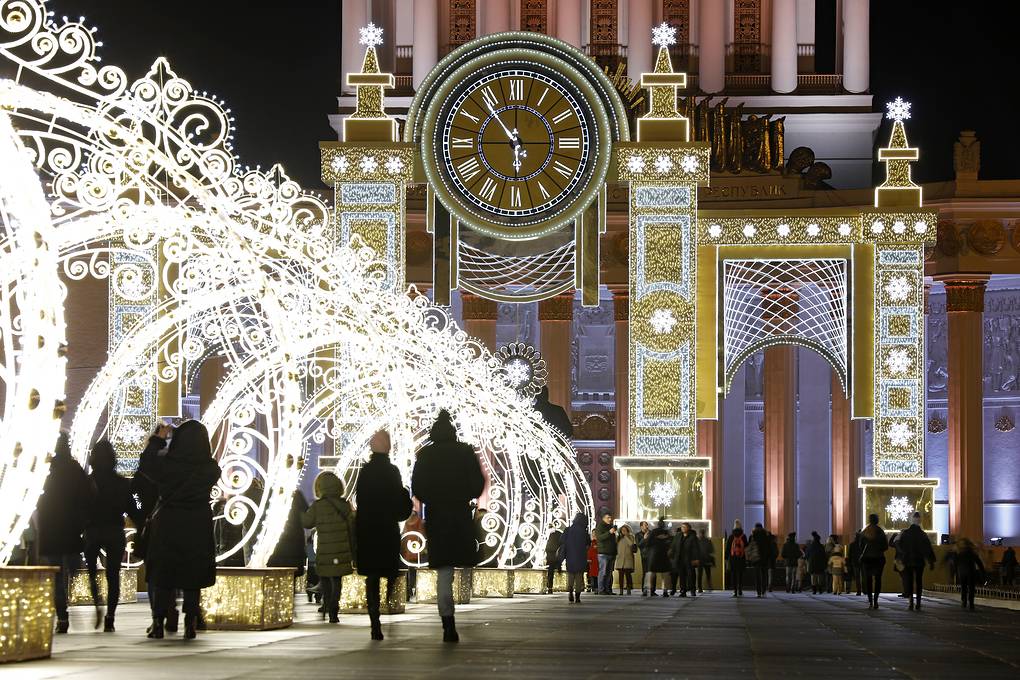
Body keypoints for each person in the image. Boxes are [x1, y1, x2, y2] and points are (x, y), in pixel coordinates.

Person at [138, 421, 220, 639]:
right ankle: (190, 621)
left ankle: (158, 621)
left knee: (164, 574)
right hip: (197, 523)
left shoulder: (166, 465)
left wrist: (158, 438)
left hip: (168, 524)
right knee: (193, 575)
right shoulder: (211, 469)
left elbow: (146, 464)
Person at [411, 410, 485, 643]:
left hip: (437, 516)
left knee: (443, 571)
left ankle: (448, 623)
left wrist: (433, 497)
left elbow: (418, 488)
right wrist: (464, 494)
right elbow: (477, 484)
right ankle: (454, 614)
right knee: (457, 564)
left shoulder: (426, 455)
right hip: (459, 515)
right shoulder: (464, 451)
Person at [355, 430, 413, 641]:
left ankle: (375, 621)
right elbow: (399, 503)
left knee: (372, 577)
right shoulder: (392, 471)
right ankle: (388, 600)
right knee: (388, 571)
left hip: (369, 530)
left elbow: (360, 501)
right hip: (387, 529)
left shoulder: (365, 472)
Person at [36, 432, 94, 634]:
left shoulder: (45, 470)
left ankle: (61, 615)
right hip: (70, 530)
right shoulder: (75, 470)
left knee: (55, 574)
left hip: (50, 529)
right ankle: (65, 610)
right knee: (68, 572)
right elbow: (87, 498)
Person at [84, 439, 144, 632]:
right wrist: (142, 512)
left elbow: (79, 505)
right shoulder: (123, 483)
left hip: (92, 530)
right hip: (114, 530)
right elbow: (136, 505)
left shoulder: (87, 482)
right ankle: (110, 615)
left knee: (92, 572)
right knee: (113, 575)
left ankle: (96, 605)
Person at [303, 471, 355, 624]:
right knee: (337, 580)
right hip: (341, 551)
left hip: (324, 550)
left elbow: (307, 522)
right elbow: (351, 527)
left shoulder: (318, 506)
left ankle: (325, 605)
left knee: (325, 578)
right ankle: (334, 610)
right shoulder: (344, 505)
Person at [898, 511, 935, 611]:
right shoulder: (922, 535)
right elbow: (928, 549)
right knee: (919, 581)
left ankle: (910, 602)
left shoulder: (905, 533)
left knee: (909, 581)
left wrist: (902, 557)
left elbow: (899, 545)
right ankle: (918, 603)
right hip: (919, 561)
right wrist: (931, 561)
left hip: (908, 560)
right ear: (919, 521)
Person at [268, 490, 310, 576]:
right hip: (295, 537)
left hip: (278, 537)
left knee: (277, 572)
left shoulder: (272, 494)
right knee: (293, 572)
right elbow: (306, 513)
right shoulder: (296, 494)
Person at [857, 514, 889, 610]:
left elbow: (860, 546)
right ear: (877, 520)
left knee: (868, 579)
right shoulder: (880, 531)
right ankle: (876, 601)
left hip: (867, 559)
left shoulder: (864, 531)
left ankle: (870, 601)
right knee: (878, 579)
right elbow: (885, 546)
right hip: (878, 558)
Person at [561, 514, 590, 603]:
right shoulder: (584, 532)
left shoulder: (568, 530)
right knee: (578, 577)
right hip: (581, 557)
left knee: (570, 576)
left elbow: (561, 541)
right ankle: (577, 596)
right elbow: (588, 543)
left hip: (570, 556)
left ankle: (570, 592)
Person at [671, 522, 701, 597]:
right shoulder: (678, 536)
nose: (683, 528)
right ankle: (683, 591)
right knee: (682, 576)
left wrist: (696, 559)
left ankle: (692, 590)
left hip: (689, 559)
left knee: (691, 575)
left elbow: (696, 549)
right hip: (680, 559)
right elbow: (674, 546)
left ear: (688, 528)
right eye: (682, 527)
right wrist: (672, 555)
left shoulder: (693, 537)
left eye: (684, 527)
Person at [955, 538, 985, 610]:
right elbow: (979, 562)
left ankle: (964, 601)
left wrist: (956, 572)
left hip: (962, 572)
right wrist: (983, 571)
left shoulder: (960, 553)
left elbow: (956, 563)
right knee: (971, 588)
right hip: (971, 572)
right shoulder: (972, 553)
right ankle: (971, 603)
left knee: (963, 587)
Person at [645, 519, 673, 597]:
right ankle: (665, 591)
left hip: (654, 555)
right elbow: (670, 542)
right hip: (664, 555)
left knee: (652, 573)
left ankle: (651, 590)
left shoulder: (653, 532)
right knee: (665, 574)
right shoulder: (666, 532)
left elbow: (647, 543)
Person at [594, 512, 618, 595]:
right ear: (603, 518)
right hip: (603, 553)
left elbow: (613, 540)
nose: (610, 519)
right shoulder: (600, 527)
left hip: (611, 553)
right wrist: (609, 532)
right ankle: (601, 589)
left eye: (610, 517)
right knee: (603, 572)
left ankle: (607, 589)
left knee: (609, 573)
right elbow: (600, 538)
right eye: (608, 517)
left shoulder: (610, 526)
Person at [725, 520, 748, 597]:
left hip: (733, 558)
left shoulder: (731, 536)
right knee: (740, 574)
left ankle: (735, 591)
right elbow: (746, 546)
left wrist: (726, 557)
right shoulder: (743, 536)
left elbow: (728, 547)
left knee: (734, 574)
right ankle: (740, 590)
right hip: (741, 558)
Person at [748, 523, 769, 598]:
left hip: (756, 558)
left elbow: (749, 547)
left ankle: (758, 592)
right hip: (764, 558)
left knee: (757, 575)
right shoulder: (766, 536)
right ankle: (764, 591)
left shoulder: (752, 536)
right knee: (764, 575)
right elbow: (769, 547)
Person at [615, 524, 636, 595]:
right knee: (620, 576)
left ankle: (629, 589)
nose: (623, 531)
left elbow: (631, 544)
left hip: (628, 559)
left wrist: (626, 536)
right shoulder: (618, 538)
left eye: (625, 530)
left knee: (628, 575)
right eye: (622, 530)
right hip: (620, 559)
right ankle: (621, 590)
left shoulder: (631, 537)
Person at [544, 523, 564, 595]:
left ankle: (550, 587)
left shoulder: (555, 534)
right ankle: (550, 587)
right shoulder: (557, 534)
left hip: (552, 556)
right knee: (552, 571)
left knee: (551, 572)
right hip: (553, 556)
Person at [636, 521, 652, 595]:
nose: (646, 526)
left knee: (652, 573)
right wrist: (644, 538)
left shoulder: (651, 533)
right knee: (645, 572)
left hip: (652, 555)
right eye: (645, 525)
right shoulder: (638, 535)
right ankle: (644, 589)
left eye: (647, 525)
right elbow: (639, 545)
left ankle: (652, 590)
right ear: (641, 526)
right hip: (644, 556)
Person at [848, 530, 863, 595]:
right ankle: (865, 590)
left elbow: (849, 555)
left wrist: (849, 563)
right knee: (864, 576)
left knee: (857, 577)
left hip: (855, 562)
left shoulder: (852, 544)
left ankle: (859, 590)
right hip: (863, 562)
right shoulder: (863, 544)